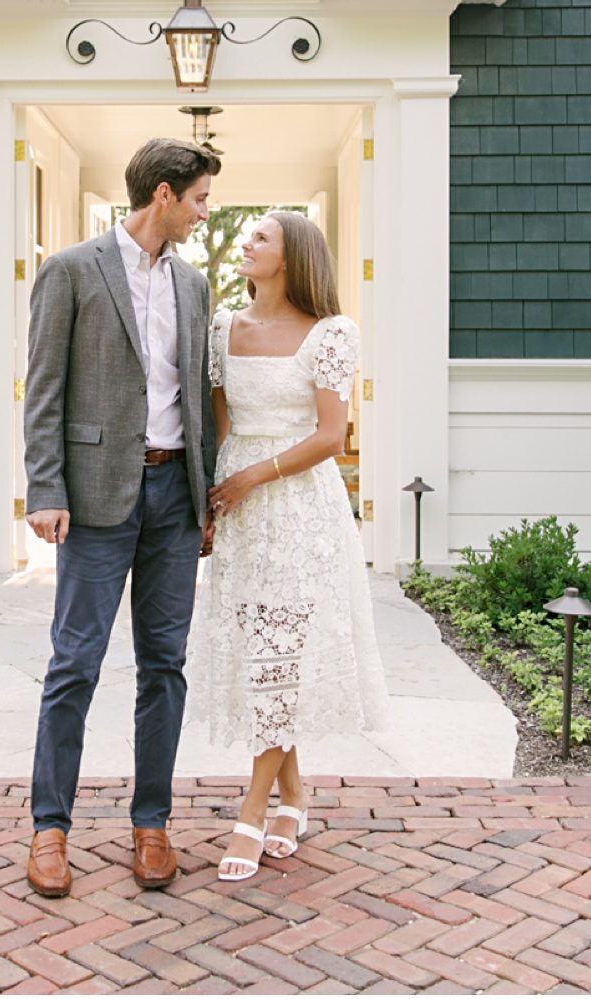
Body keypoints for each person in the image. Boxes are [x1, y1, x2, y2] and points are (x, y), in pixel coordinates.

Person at [21, 138, 222, 898]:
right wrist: (46, 487)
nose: (206, 213)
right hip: (98, 495)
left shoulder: (195, 285)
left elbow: (198, 398)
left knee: (163, 666)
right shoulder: (72, 269)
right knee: (74, 662)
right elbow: (43, 387)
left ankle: (151, 824)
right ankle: (50, 828)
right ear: (164, 195)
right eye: (200, 199)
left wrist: (203, 498)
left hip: (174, 500)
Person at [187, 210, 387, 883]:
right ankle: (295, 796)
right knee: (259, 651)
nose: (246, 243)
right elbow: (220, 420)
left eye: (261, 237)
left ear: (293, 254)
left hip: (301, 506)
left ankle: (252, 807)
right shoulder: (224, 327)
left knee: (283, 649)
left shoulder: (332, 333)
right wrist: (214, 499)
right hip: (239, 506)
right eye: (248, 237)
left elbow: (332, 435)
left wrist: (255, 475)